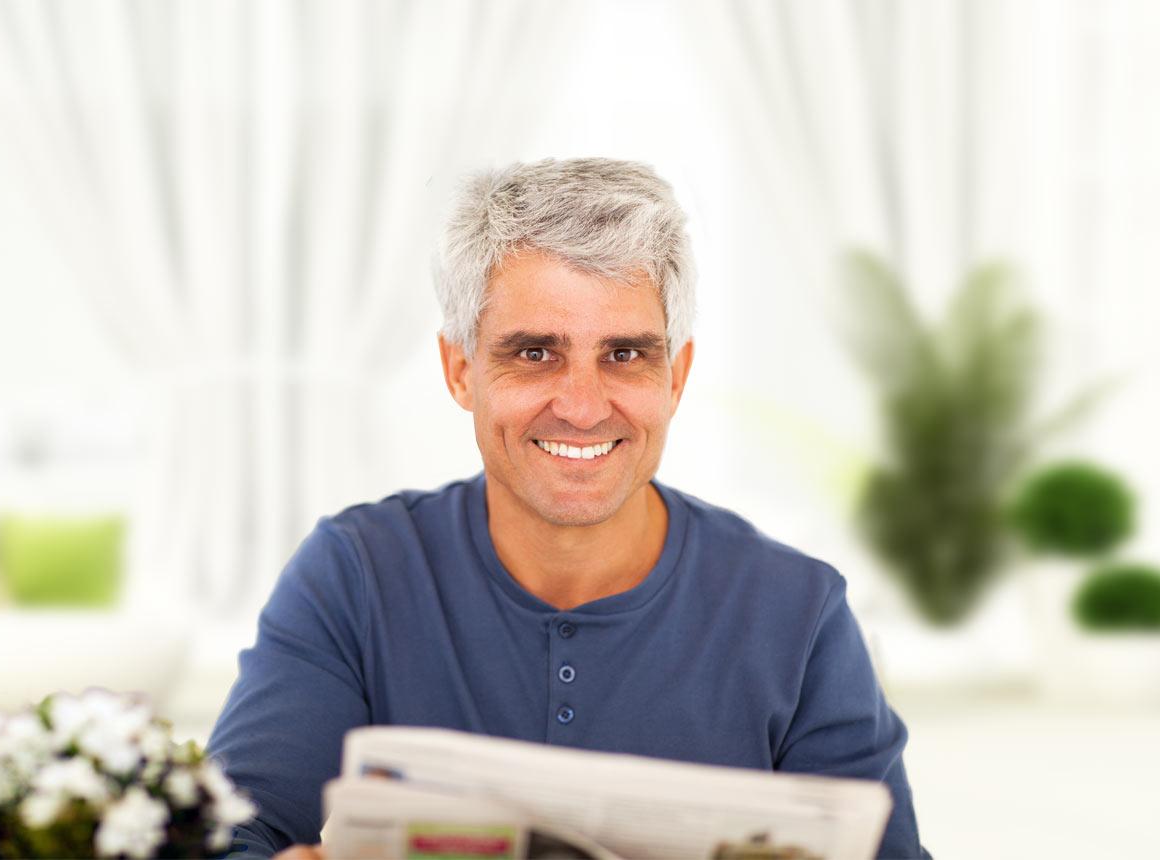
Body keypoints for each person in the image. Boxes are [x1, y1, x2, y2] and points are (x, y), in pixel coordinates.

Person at [204, 158, 929, 859]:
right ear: (461, 369)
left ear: (675, 377)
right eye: (534, 354)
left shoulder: (798, 613)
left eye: (623, 355)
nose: (582, 407)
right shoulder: (356, 575)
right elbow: (223, 835)